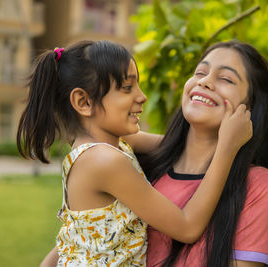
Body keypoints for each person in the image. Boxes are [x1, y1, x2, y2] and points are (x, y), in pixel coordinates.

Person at [17, 40, 253, 266]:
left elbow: (183, 149)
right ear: (83, 102)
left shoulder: (107, 144)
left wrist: (251, 177)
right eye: (127, 88)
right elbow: (187, 227)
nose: (142, 96)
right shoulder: (105, 161)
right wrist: (227, 148)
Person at [126, 40, 268, 267]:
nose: (205, 81)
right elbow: (97, 132)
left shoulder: (257, 185)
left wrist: (238, 158)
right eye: (200, 72)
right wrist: (178, 146)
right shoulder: (138, 166)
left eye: (226, 79)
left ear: (250, 108)